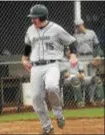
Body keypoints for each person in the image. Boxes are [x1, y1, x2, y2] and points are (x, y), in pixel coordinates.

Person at [22, 4, 76, 134]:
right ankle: (47, 127)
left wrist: (73, 55)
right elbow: (28, 45)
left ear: (42, 17)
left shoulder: (56, 29)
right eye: (32, 18)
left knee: (51, 87)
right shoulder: (30, 30)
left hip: (52, 65)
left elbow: (71, 41)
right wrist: (24, 58)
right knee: (35, 98)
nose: (32, 20)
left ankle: (58, 113)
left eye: (35, 18)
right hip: (35, 67)